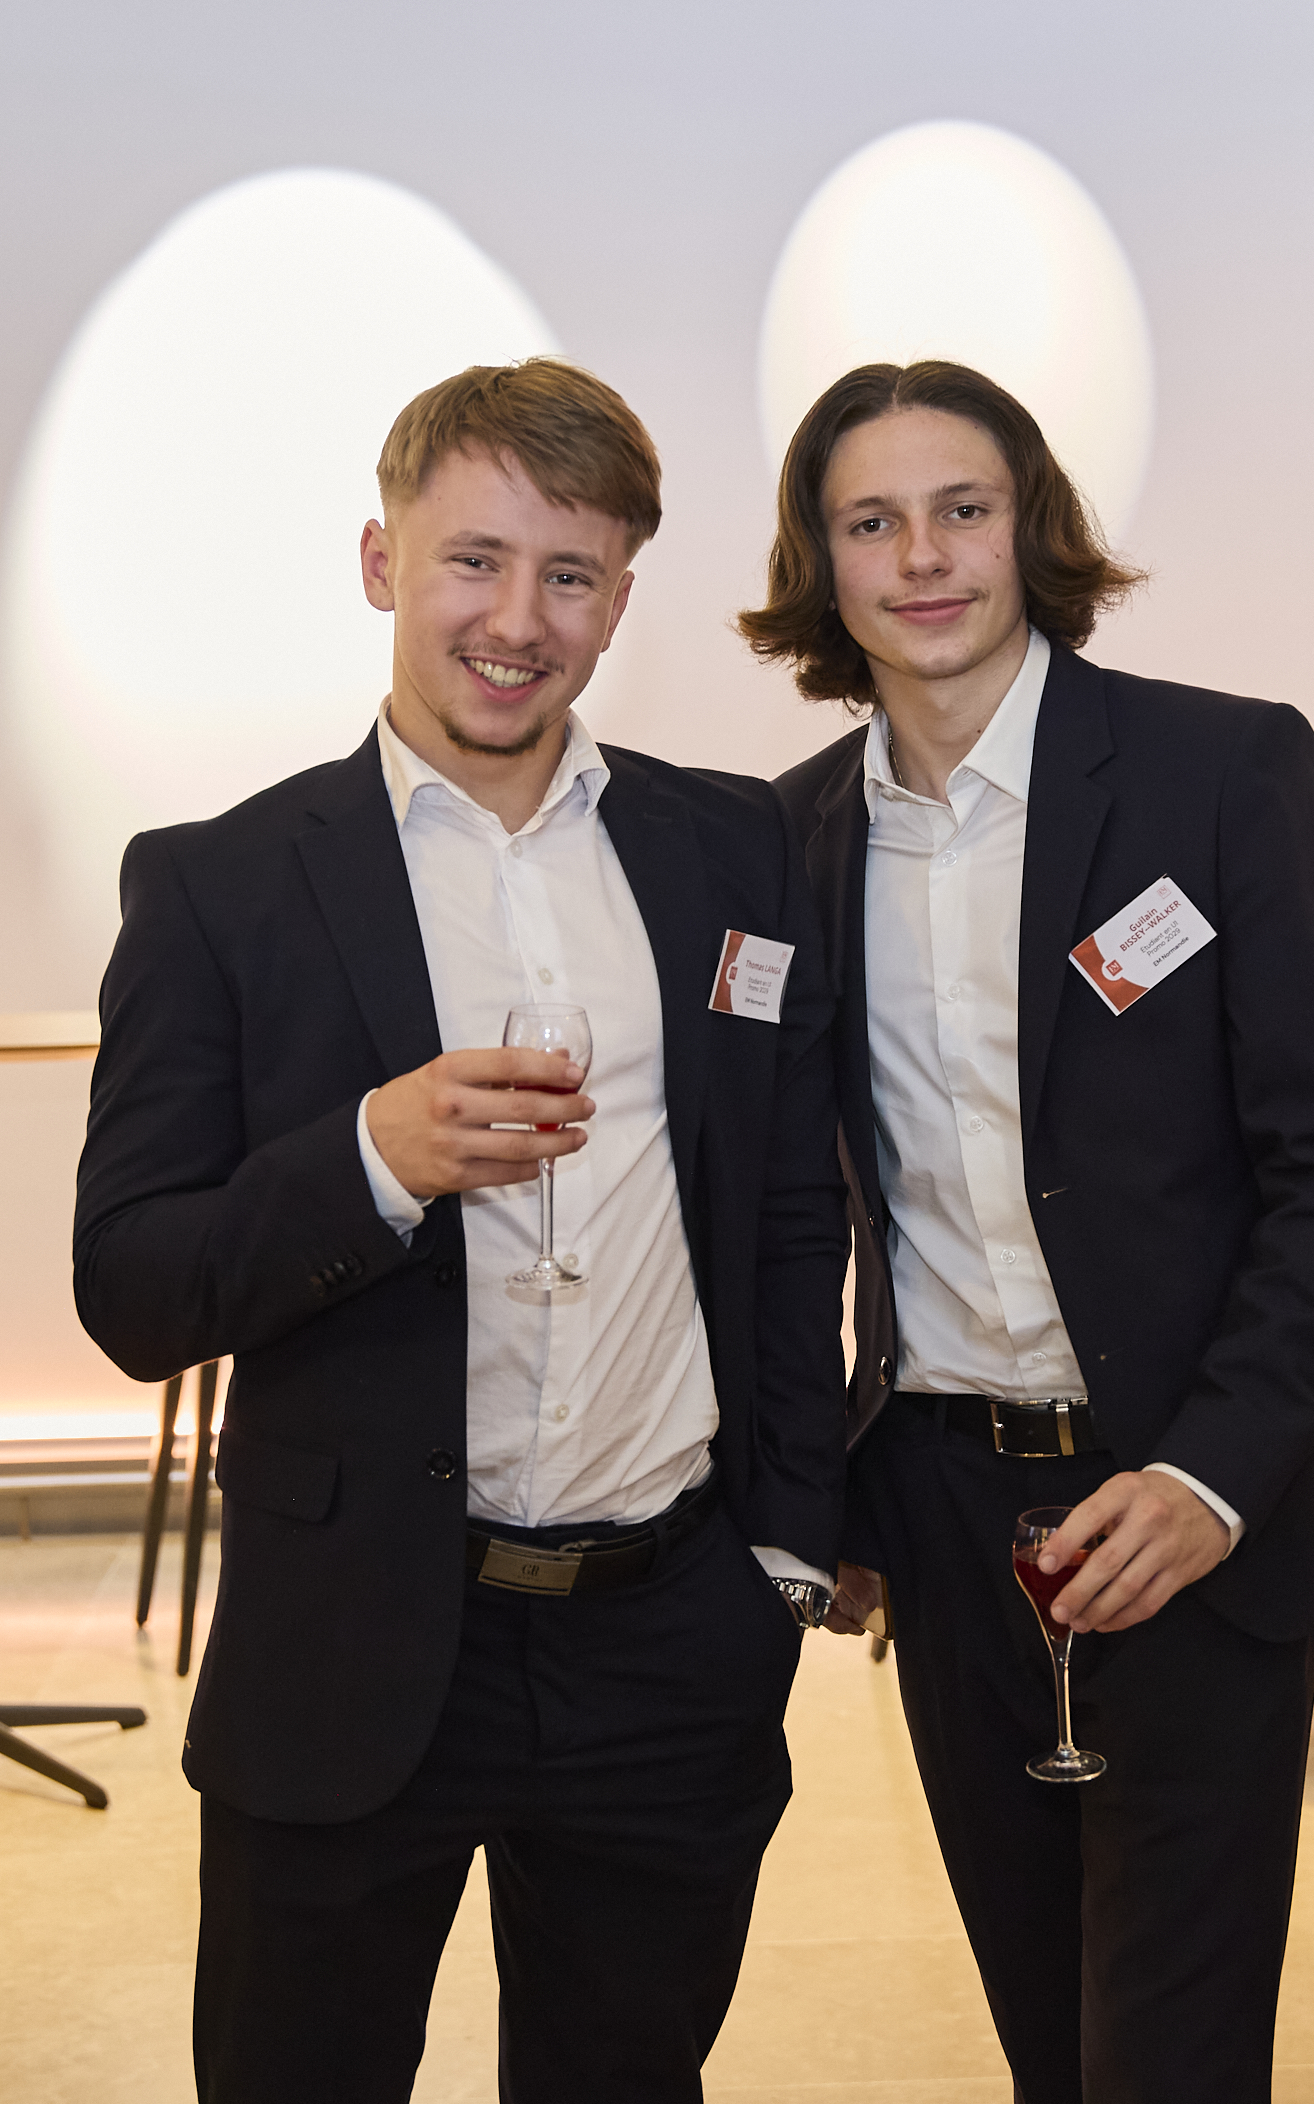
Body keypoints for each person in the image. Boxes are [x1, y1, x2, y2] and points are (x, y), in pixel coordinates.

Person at [74, 358, 847, 2104]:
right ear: (382, 564)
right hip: (349, 1643)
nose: (516, 621)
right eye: (473, 561)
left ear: (621, 599)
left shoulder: (731, 847)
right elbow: (129, 1286)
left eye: (569, 574)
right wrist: (373, 1157)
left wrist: (786, 1548)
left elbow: (791, 1213)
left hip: (671, 1643)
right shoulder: (218, 886)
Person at [741, 359, 1314, 2104]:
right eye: (872, 522)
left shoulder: (1222, 771)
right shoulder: (788, 840)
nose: (924, 556)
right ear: (820, 564)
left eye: (962, 509)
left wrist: (1208, 1482)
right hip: (943, 1517)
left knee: (1170, 2053)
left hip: (1185, 1496)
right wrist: (817, 1494)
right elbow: (785, 1208)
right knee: (1043, 2032)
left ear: (1030, 527)